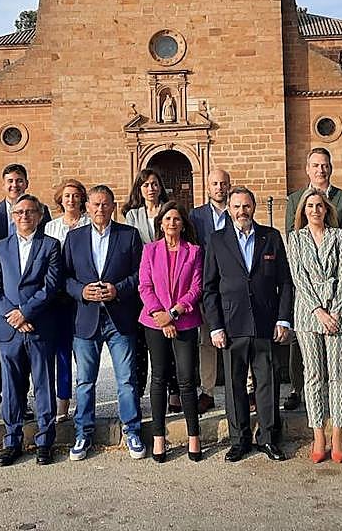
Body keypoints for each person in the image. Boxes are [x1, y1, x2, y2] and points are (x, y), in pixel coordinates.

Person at [204, 185, 294, 462]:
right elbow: (209, 288)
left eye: (246, 206)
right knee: (234, 385)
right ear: (229, 210)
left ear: (253, 207)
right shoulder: (217, 240)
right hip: (232, 325)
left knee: (268, 382)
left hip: (266, 323)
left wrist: (283, 319)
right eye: (236, 207)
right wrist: (215, 326)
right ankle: (239, 439)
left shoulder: (271, 237)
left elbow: (285, 282)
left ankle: (268, 437)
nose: (242, 211)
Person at [64, 185, 146, 461]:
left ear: (113, 206)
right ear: (87, 207)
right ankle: (83, 433)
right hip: (86, 319)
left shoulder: (129, 235)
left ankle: (132, 431)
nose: (100, 209)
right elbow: (64, 277)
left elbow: (141, 274)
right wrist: (81, 291)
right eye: (95, 204)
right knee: (85, 381)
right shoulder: (74, 238)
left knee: (127, 380)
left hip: (119, 318)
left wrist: (118, 289)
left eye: (105, 204)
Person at [0, 194, 64, 466]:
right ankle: (12, 441)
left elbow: (51, 286)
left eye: (30, 212)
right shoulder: (0, 247)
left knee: (43, 384)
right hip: (9, 329)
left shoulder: (50, 245)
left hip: (39, 325)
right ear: (13, 216)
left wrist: (26, 313)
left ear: (40, 216)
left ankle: (45, 441)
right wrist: (14, 316)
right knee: (11, 387)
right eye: (19, 212)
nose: (24, 216)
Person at [284, 147, 342, 413]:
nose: (321, 169)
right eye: (316, 165)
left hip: (336, 283)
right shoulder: (295, 199)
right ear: (308, 169)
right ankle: (297, 388)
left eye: (325, 165)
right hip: (308, 289)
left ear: (331, 167)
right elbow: (292, 236)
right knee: (302, 344)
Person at [288, 190, 342, 463]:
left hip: (338, 312)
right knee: (313, 374)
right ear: (303, 210)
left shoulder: (338, 236)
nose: (315, 210)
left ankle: (337, 434)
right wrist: (318, 310)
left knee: (337, 374)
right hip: (308, 314)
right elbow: (298, 277)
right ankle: (318, 434)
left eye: (319, 205)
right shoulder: (296, 238)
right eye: (310, 206)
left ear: (327, 209)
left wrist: (335, 310)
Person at [137, 201, 204, 462]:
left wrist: (173, 313)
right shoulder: (150, 250)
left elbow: (196, 288)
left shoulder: (194, 251)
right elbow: (145, 286)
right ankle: (158, 437)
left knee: (186, 379)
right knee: (159, 377)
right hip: (155, 322)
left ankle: (194, 436)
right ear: (161, 224)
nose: (172, 223)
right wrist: (161, 317)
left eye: (176, 219)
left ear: (183, 224)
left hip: (184, 321)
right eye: (167, 219)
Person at [123, 169, 177, 412]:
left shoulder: (168, 210)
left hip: (168, 282)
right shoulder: (132, 215)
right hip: (143, 283)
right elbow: (131, 248)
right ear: (139, 189)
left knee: (171, 338)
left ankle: (174, 391)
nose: (151, 188)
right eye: (145, 185)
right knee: (142, 341)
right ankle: (140, 391)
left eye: (154, 184)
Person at [43, 178, 91, 422]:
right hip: (59, 296)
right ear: (60, 200)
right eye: (67, 195)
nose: (71, 200)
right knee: (62, 351)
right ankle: (62, 401)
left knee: (85, 352)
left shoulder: (90, 223)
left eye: (75, 195)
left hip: (83, 295)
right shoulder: (51, 227)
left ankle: (85, 402)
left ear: (82, 198)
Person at [189, 168, 232, 412]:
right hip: (208, 285)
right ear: (208, 187)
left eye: (223, 183)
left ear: (229, 185)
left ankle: (247, 388)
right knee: (207, 339)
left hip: (232, 283)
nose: (219, 188)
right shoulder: (196, 216)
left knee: (239, 336)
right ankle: (207, 391)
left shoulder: (236, 211)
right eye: (215, 183)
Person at [0, 163, 52, 245]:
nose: (14, 185)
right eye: (10, 181)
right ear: (3, 185)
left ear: (27, 184)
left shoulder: (40, 210)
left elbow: (47, 241)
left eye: (19, 181)